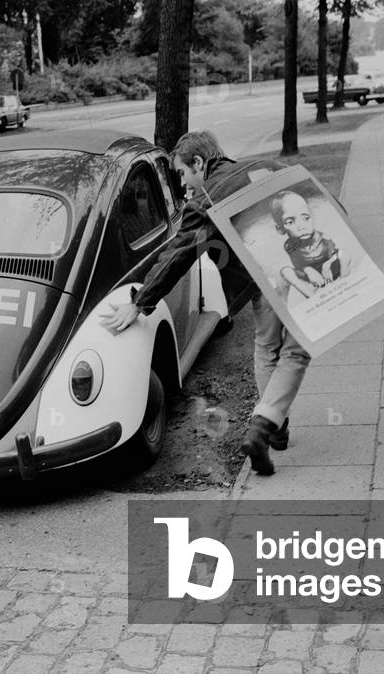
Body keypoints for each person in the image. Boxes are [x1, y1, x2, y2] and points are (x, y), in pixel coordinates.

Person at [99, 131, 309, 476]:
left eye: (182, 174)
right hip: (296, 274)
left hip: (261, 282)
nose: (184, 185)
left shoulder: (209, 197)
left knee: (267, 346)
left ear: (199, 163)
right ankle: (265, 424)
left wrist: (139, 302)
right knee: (296, 352)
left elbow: (178, 254)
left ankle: (275, 423)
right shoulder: (267, 166)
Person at [271, 190, 350, 299]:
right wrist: (307, 270)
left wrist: (327, 264)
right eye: (290, 222)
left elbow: (337, 252)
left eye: (306, 218)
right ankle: (313, 298)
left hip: (331, 270)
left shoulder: (323, 238)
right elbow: (296, 265)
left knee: (344, 254)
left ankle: (346, 283)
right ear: (280, 229)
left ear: (312, 217)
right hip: (311, 276)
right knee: (285, 271)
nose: (301, 226)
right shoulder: (289, 245)